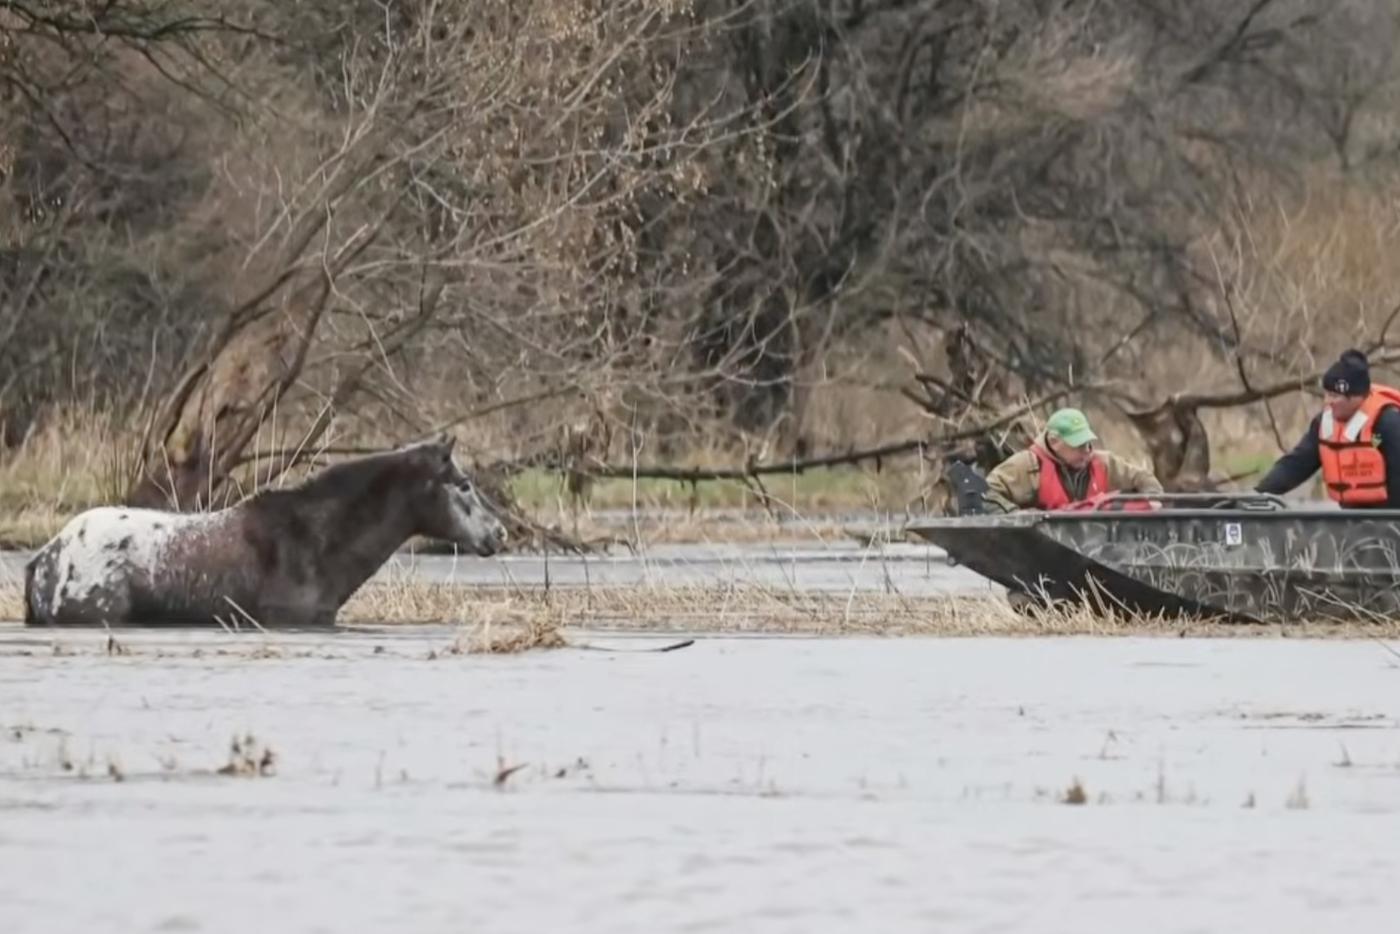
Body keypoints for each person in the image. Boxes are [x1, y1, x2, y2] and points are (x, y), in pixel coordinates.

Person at [1254, 349, 1400, 508]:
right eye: (1326, 394)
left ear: (1356, 397)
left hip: (1390, 520)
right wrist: (1258, 495)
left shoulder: (1388, 423)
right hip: (1353, 521)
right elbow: (1295, 465)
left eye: (1335, 396)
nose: (1327, 402)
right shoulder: (1325, 424)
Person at [982, 407, 1163, 513]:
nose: (1087, 451)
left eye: (1088, 443)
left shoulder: (1104, 463)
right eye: (1078, 445)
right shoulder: (1027, 465)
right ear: (1054, 442)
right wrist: (1016, 517)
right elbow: (986, 492)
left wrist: (1154, 498)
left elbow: (1143, 478)